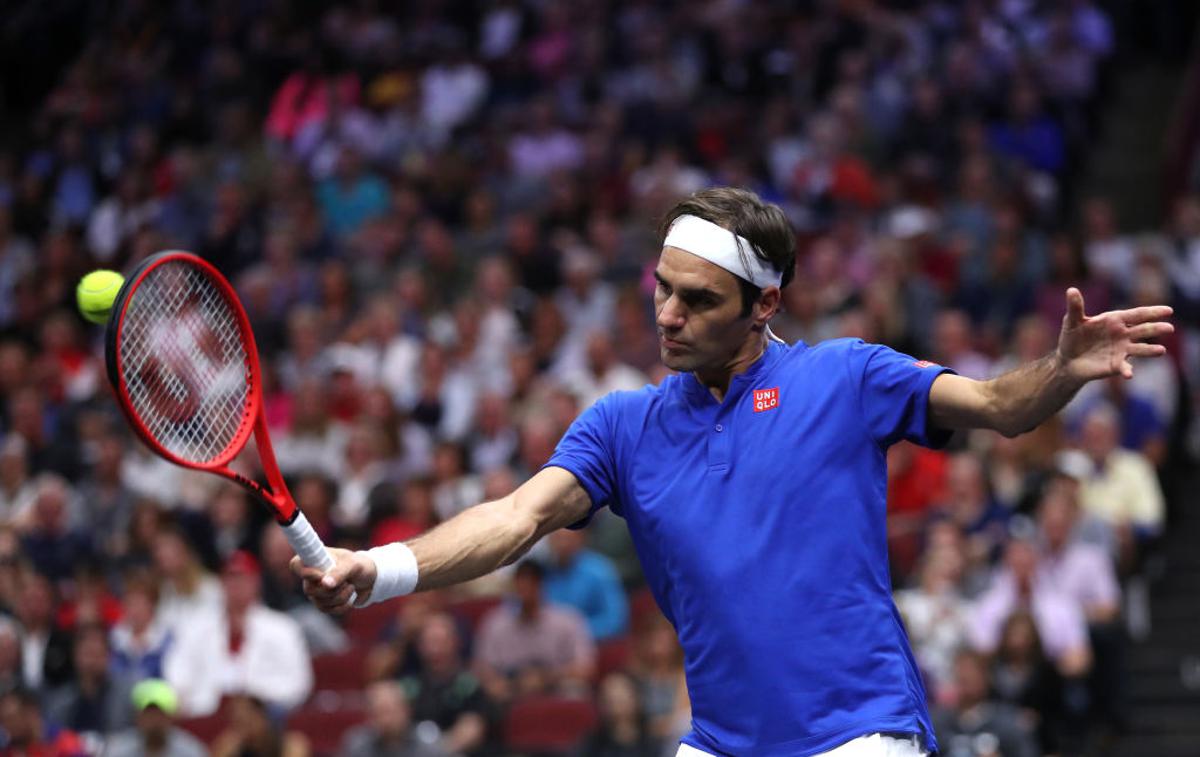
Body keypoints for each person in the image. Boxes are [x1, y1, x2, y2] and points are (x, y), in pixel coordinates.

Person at [295, 187, 1174, 756]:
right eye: (662, 288)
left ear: (766, 305)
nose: (669, 316)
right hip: (720, 741)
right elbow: (515, 518)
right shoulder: (621, 424)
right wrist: (380, 569)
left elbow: (998, 406)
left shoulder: (846, 376)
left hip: (860, 734)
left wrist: (1060, 371)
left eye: (700, 300)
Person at [165, 550, 312, 717]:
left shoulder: (282, 628)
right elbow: (177, 676)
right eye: (230, 578)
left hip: (263, 719)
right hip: (206, 716)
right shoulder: (195, 627)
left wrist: (251, 696)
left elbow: (298, 685)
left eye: (242, 578)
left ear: (255, 582)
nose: (235, 585)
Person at [473, 561, 594, 703]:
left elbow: (585, 668)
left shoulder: (568, 620)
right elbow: (482, 667)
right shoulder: (495, 623)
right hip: (510, 690)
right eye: (520, 582)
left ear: (542, 585)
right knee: (487, 693)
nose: (525, 588)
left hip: (555, 686)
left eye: (531, 582)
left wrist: (545, 677)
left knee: (576, 690)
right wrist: (499, 682)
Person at [339, 680, 448, 757]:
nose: (387, 720)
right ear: (370, 716)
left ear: (406, 711)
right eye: (380, 712)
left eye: (391, 712)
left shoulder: (428, 746)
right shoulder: (356, 745)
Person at [103, 679, 207, 757]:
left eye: (160, 715)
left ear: (171, 718)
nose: (155, 721)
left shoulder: (191, 752)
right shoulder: (118, 751)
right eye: (149, 715)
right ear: (137, 717)